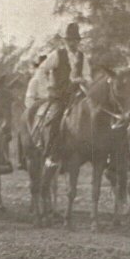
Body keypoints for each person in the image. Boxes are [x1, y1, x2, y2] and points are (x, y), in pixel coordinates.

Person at [39, 22, 93, 167]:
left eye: (75, 40)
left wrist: (84, 80)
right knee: (56, 117)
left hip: (77, 94)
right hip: (60, 95)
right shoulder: (57, 55)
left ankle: (92, 151)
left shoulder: (82, 57)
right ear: (65, 41)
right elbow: (42, 70)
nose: (72, 43)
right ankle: (51, 152)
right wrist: (49, 88)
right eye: (70, 40)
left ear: (78, 42)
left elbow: (88, 76)